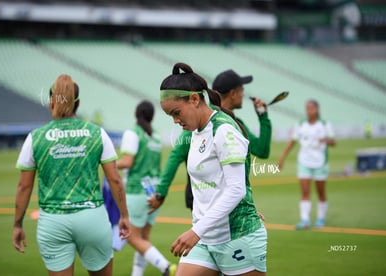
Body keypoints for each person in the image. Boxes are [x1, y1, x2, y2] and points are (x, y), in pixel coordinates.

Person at [13, 74, 131, 276]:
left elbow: (24, 186)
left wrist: (17, 224)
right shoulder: (97, 133)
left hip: (53, 221)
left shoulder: (35, 138)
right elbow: (114, 179)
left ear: (51, 101)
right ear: (78, 103)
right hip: (91, 217)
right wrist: (124, 215)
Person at [159, 62, 267, 276]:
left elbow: (237, 189)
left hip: (237, 236)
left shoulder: (224, 130)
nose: (175, 120)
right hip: (205, 238)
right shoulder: (196, 131)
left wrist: (195, 231)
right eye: (170, 115)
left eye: (177, 112)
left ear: (195, 99)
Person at [151, 69, 271, 212]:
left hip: (228, 205)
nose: (243, 94)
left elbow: (261, 151)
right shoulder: (199, 123)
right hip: (203, 201)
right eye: (241, 90)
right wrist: (160, 193)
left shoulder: (231, 123)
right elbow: (175, 157)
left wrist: (263, 116)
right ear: (233, 93)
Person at [115, 100, 176, 276]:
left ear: (136, 114)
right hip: (154, 192)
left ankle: (166, 267)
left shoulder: (133, 134)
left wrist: (107, 163)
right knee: (143, 239)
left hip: (137, 191)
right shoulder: (156, 136)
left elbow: (127, 161)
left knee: (132, 238)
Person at [278, 100, 336, 229]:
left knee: (321, 192)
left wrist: (326, 140)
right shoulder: (301, 124)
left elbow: (333, 142)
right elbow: (292, 141)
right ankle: (305, 220)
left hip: (320, 162)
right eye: (307, 108)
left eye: (311, 108)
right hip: (304, 161)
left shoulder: (324, 124)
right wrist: (282, 157)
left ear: (317, 110)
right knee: (305, 191)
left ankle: (321, 218)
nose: (309, 111)